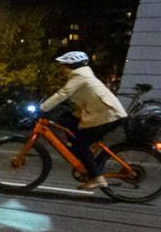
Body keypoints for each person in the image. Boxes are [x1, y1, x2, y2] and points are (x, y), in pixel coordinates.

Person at [41, 50, 127, 188]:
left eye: (64, 65)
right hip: (103, 114)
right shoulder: (83, 75)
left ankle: (97, 177)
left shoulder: (80, 75)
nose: (62, 69)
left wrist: (43, 108)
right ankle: (82, 156)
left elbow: (63, 93)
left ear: (72, 65)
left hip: (107, 116)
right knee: (67, 121)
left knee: (80, 145)